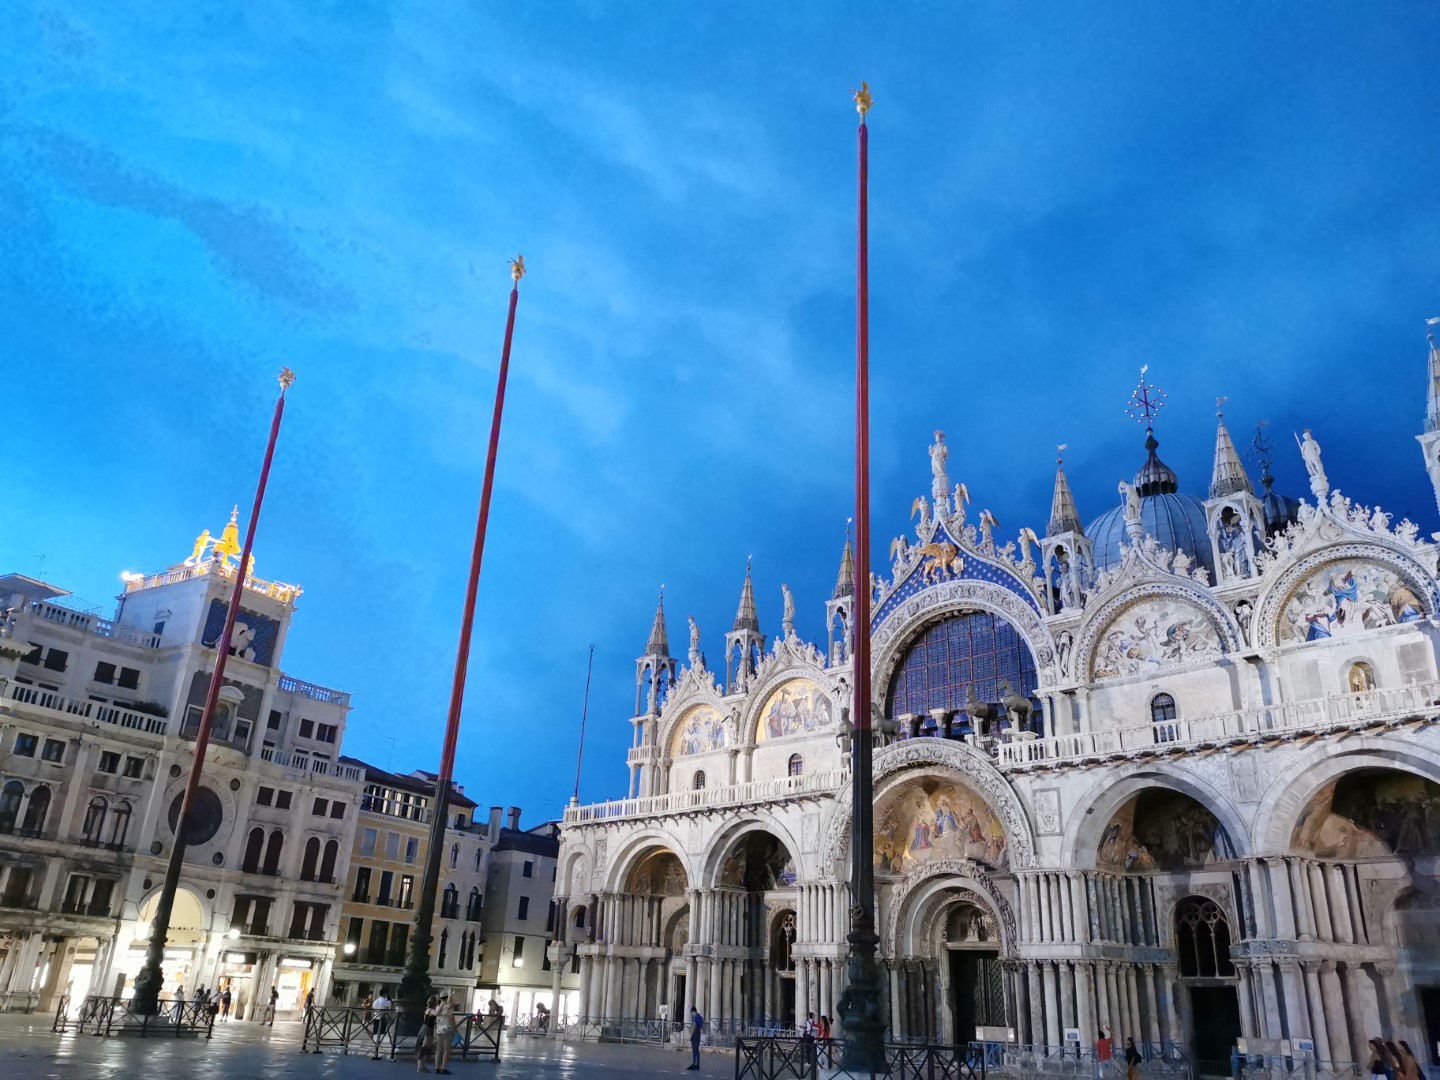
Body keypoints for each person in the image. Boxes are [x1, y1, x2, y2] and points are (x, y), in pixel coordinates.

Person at [434, 995, 460, 1074]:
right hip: (447, 1030)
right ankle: (444, 1068)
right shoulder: (449, 1008)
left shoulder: (438, 1007)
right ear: (447, 998)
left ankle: (437, 1068)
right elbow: (451, 1020)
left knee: (438, 1050)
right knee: (446, 1050)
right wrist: (455, 1030)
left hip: (439, 1030)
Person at [687, 1005, 704, 1070]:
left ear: (693, 1012)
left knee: (694, 1050)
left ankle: (694, 1064)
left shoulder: (696, 1017)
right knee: (696, 1050)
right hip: (698, 1034)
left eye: (691, 1013)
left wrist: (691, 1035)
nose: (691, 1014)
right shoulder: (700, 1017)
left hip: (695, 1035)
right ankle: (697, 1065)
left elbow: (694, 1026)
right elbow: (701, 1026)